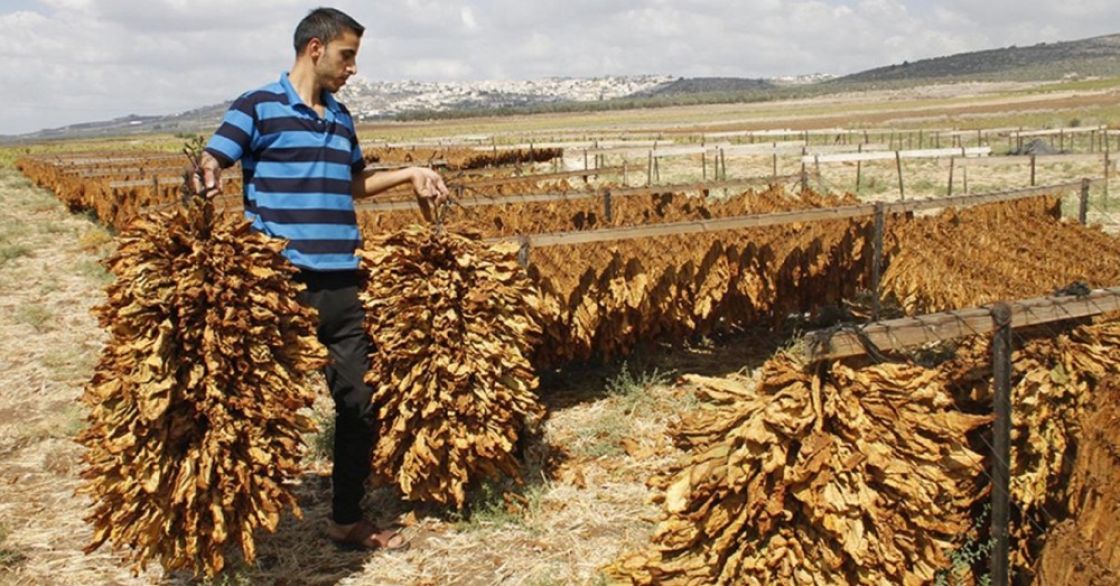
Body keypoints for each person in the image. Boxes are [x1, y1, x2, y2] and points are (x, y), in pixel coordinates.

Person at [194, 7, 449, 551]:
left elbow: (353, 184)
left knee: (359, 400)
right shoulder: (256, 106)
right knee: (254, 412)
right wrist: (207, 174)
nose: (352, 68)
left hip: (342, 283)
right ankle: (231, 528)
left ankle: (345, 518)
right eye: (347, 56)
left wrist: (410, 173)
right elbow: (213, 158)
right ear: (316, 48)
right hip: (279, 288)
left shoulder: (340, 117)